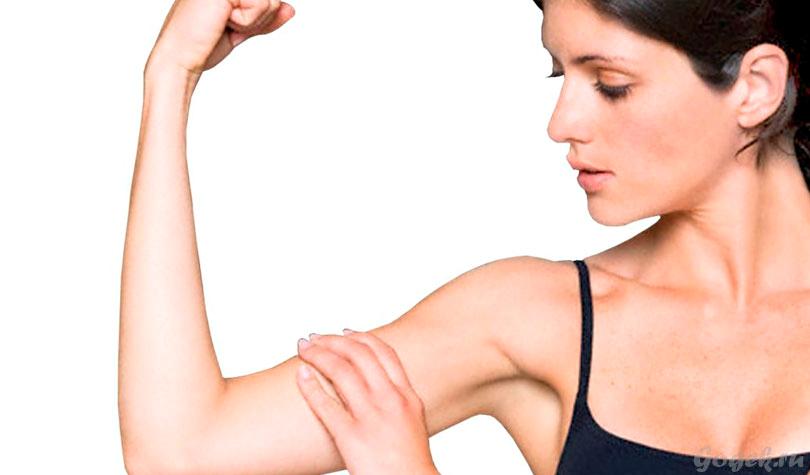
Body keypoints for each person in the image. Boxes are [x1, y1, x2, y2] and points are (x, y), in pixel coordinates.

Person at [118, 0, 810, 473]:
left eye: (610, 83)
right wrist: (169, 76)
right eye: (560, 74)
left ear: (755, 87)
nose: (561, 123)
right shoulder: (534, 317)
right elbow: (180, 451)